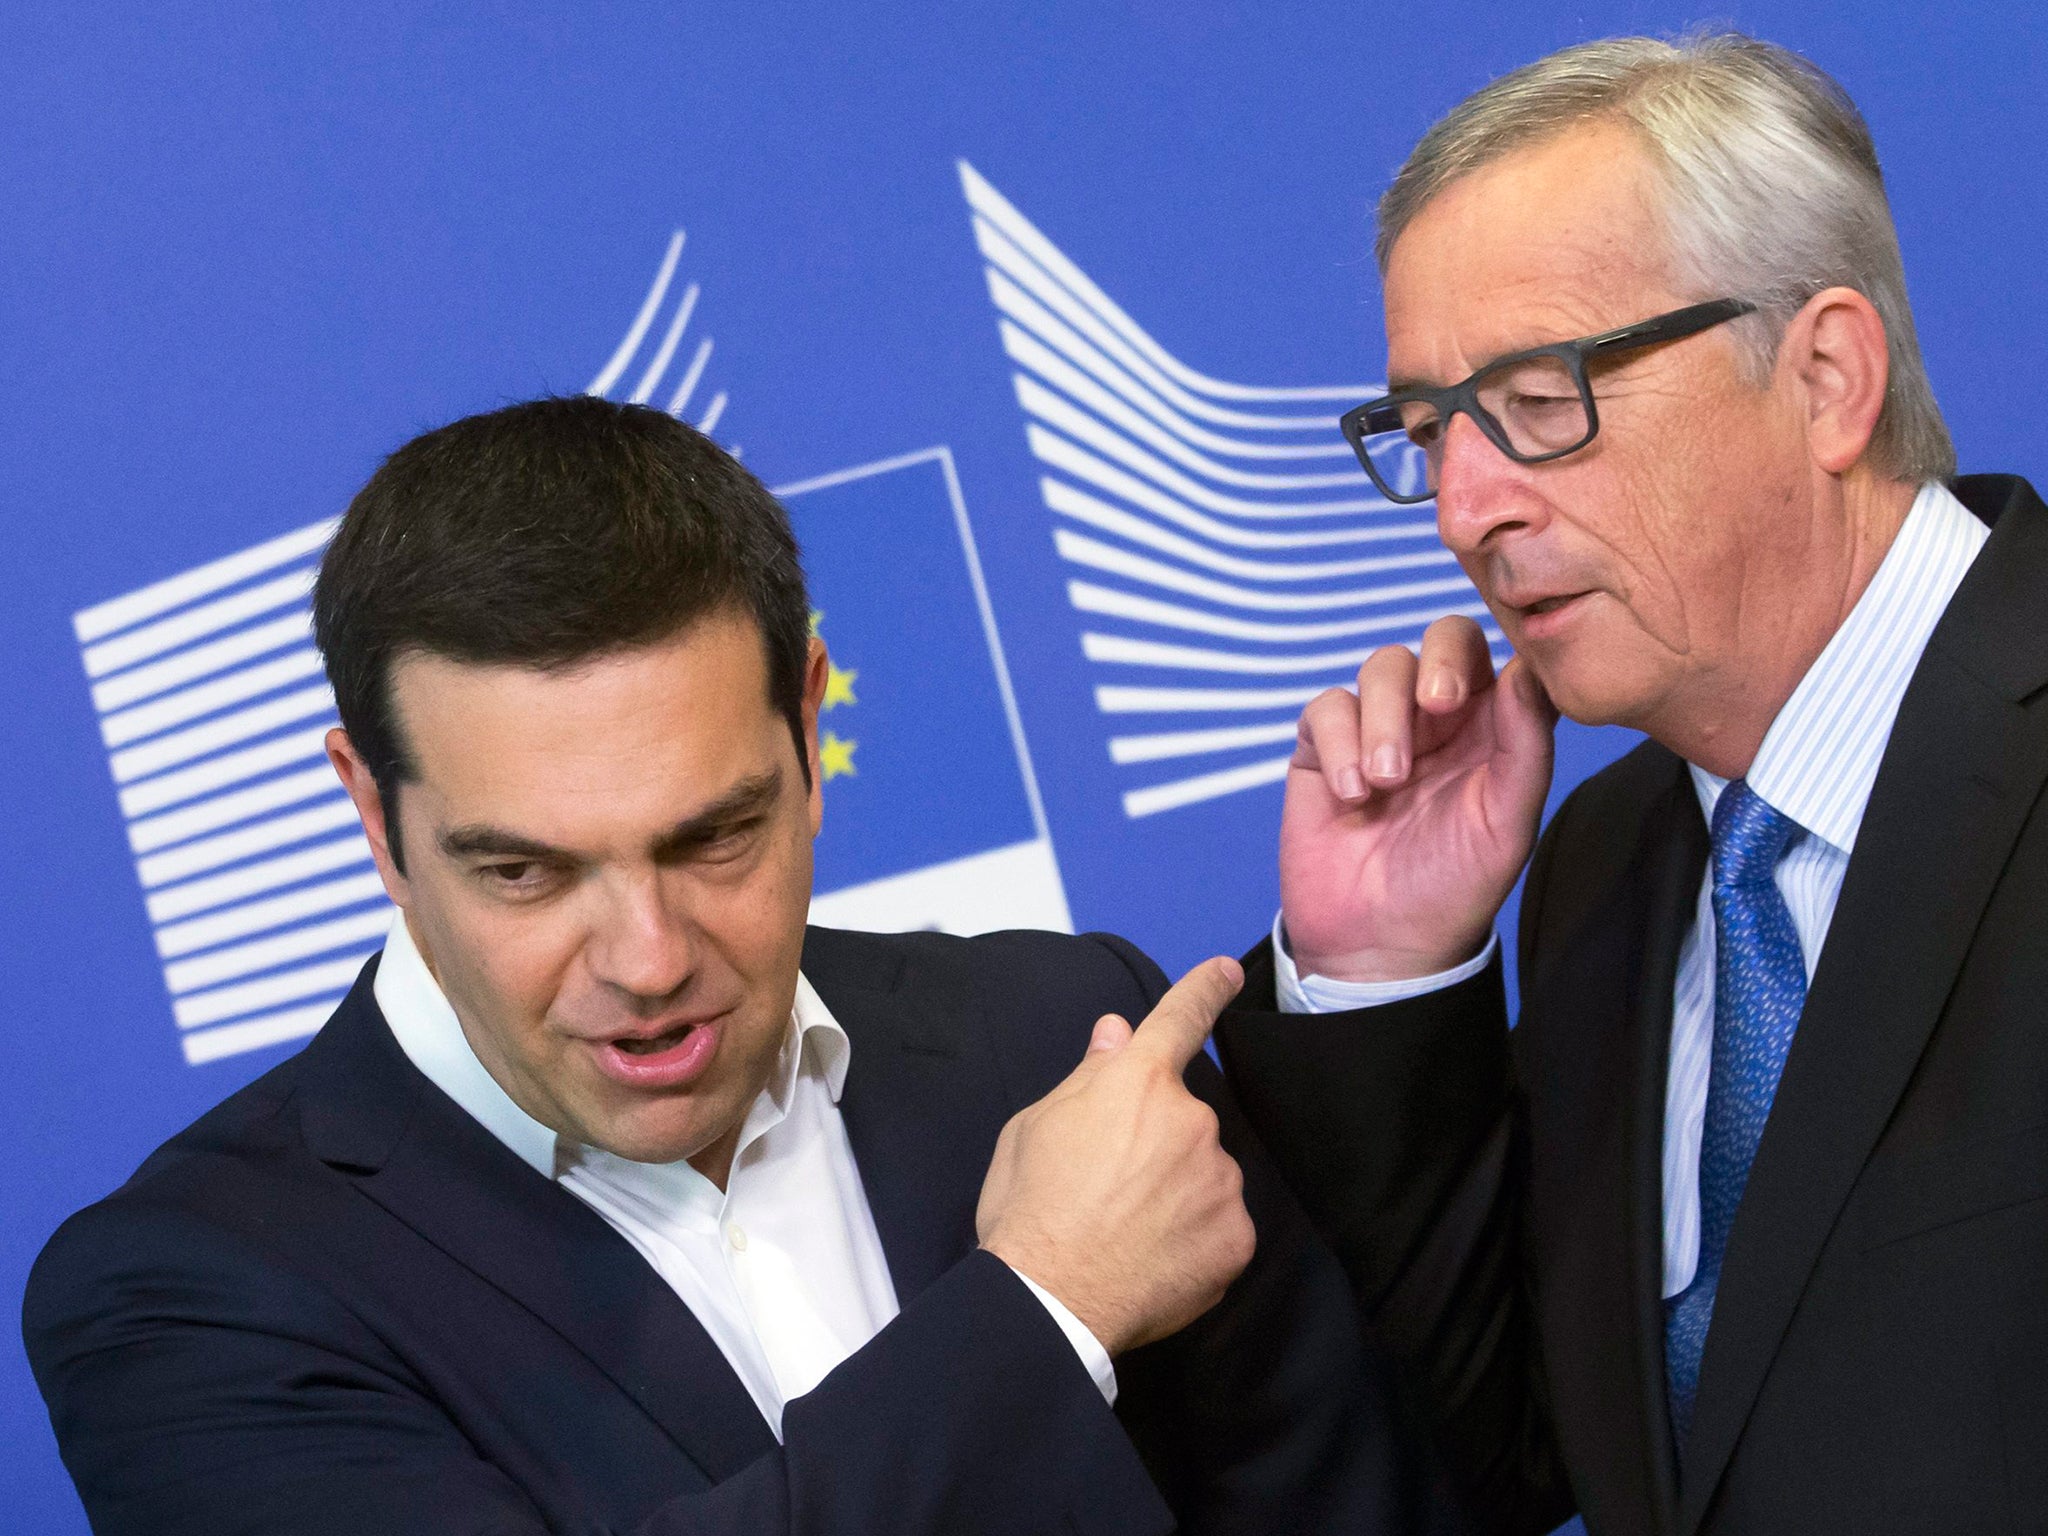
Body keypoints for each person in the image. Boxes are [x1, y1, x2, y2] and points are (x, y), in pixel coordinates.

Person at [25, 397, 1424, 1536]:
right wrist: (1051, 1304)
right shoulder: (182, 1291)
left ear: (810, 730)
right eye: (525, 871)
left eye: (715, 836)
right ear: (374, 815)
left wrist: (1390, 974)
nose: (646, 962)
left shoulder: (1064, 1036)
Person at [1216, 31, 2048, 1536]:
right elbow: (1510, 1463)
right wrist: (1389, 976)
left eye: (1541, 401)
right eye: (1427, 435)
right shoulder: (1606, 867)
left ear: (1827, 376)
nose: (1466, 508)